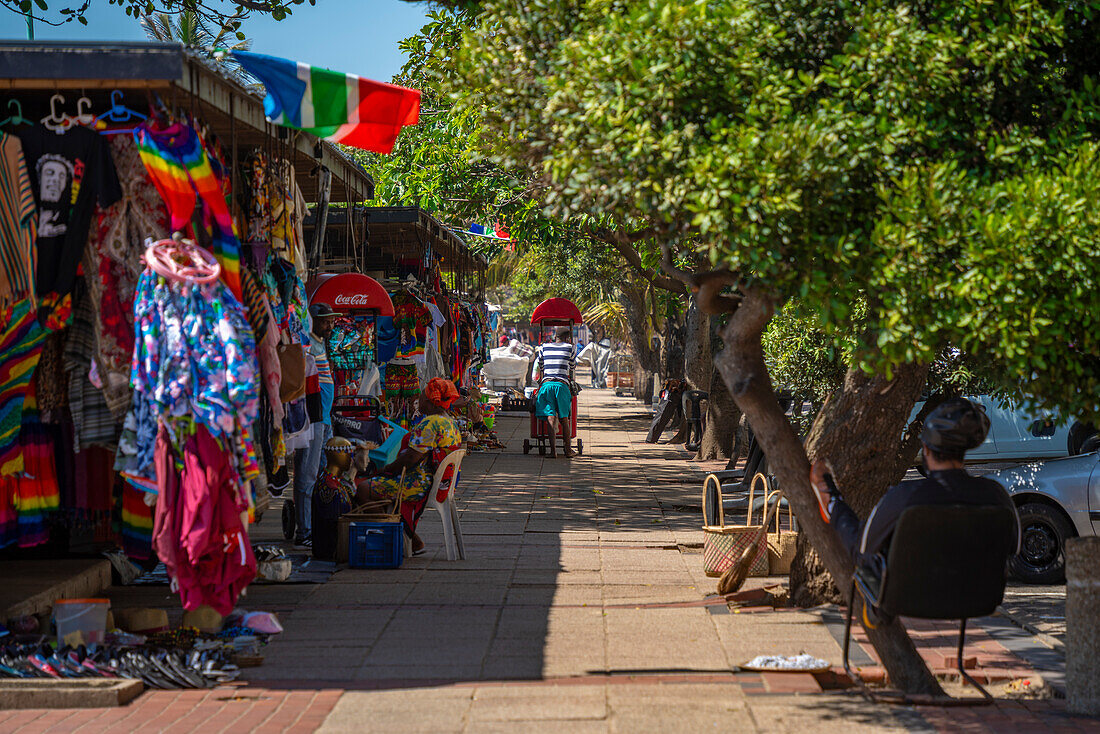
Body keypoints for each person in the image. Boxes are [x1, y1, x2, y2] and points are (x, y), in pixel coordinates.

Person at [809, 398, 1020, 627]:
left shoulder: (905, 496)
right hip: (979, 601)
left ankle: (832, 501)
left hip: (903, 601)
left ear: (926, 449)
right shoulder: (997, 495)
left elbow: (862, 548)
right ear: (964, 451)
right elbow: (1013, 549)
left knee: (863, 547)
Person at [358, 378, 463, 554]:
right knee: (376, 484)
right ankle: (406, 538)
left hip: (419, 484)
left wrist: (387, 469)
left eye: (421, 396)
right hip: (440, 483)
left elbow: (411, 458)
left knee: (362, 489)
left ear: (431, 401)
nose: (418, 400)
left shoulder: (430, 424)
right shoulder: (450, 422)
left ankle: (398, 540)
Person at [291, 302, 340, 548]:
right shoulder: (307, 343)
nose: (329, 325)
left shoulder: (321, 344)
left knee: (321, 473)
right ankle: (305, 531)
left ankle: (314, 525)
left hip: (324, 417)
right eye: (325, 321)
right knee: (308, 473)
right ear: (314, 321)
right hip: (313, 416)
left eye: (331, 321)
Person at [533, 326, 577, 458]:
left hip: (546, 385)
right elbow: (573, 366)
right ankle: (568, 450)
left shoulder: (544, 347)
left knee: (550, 418)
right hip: (562, 386)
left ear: (555, 336)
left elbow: (541, 365)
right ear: (567, 338)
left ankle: (553, 452)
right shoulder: (571, 348)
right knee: (564, 418)